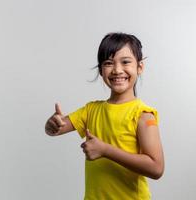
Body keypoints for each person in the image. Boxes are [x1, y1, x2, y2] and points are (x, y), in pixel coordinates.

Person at [45, 32, 164, 200]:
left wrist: (105, 150)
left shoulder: (144, 116)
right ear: (101, 70)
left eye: (125, 62)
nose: (117, 70)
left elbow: (156, 168)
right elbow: (55, 130)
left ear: (140, 67)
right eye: (109, 63)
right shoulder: (91, 110)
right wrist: (52, 124)